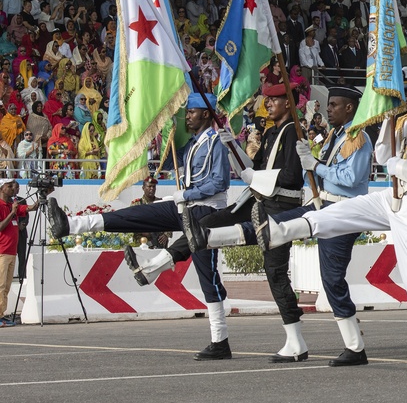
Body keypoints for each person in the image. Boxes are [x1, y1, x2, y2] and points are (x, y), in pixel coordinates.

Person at [252, 67, 407, 372]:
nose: (404, 98)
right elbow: (382, 155)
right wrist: (388, 118)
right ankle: (281, 230)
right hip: (394, 199)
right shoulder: (403, 120)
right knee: (336, 214)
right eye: (401, 93)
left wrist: (400, 167)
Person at [190, 87, 374, 367]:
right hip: (321, 205)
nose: (329, 109)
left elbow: (350, 178)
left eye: (334, 105)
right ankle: (212, 236)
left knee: (332, 278)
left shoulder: (358, 138)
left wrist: (316, 166)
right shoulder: (333, 137)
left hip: (344, 211)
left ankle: (355, 347)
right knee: (272, 227)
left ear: (350, 108)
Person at [48, 94, 233, 359]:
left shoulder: (216, 142)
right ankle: (72, 224)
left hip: (207, 211)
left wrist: (188, 195)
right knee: (135, 214)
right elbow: (169, 163)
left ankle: (220, 341)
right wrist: (164, 135)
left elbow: (220, 182)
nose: (187, 116)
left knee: (208, 278)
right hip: (185, 207)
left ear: (206, 114)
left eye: (191, 112)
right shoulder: (192, 144)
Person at [0, 181, 40, 326]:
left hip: (10, 252)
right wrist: (12, 213)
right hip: (2, 251)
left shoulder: (13, 204)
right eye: (10, 186)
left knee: (6, 286)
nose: (13, 189)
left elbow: (31, 208)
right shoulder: (4, 206)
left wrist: (42, 195)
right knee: (1, 285)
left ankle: (1, 314)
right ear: (2, 188)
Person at [129, 176, 170, 249]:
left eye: (154, 187)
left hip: (159, 240)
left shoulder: (161, 203)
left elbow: (169, 219)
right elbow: (130, 221)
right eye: (149, 186)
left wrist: (166, 235)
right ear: (143, 188)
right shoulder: (136, 204)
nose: (152, 189)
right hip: (141, 240)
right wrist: (141, 232)